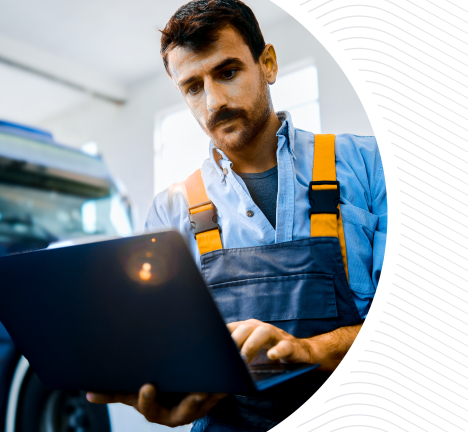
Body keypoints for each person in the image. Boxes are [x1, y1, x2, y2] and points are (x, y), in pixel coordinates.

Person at [85, 0, 387, 430]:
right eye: (193, 86)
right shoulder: (169, 211)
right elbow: (165, 346)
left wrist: (310, 352)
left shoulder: (368, 164)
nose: (214, 101)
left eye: (227, 72)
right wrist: (167, 389)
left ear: (268, 64)